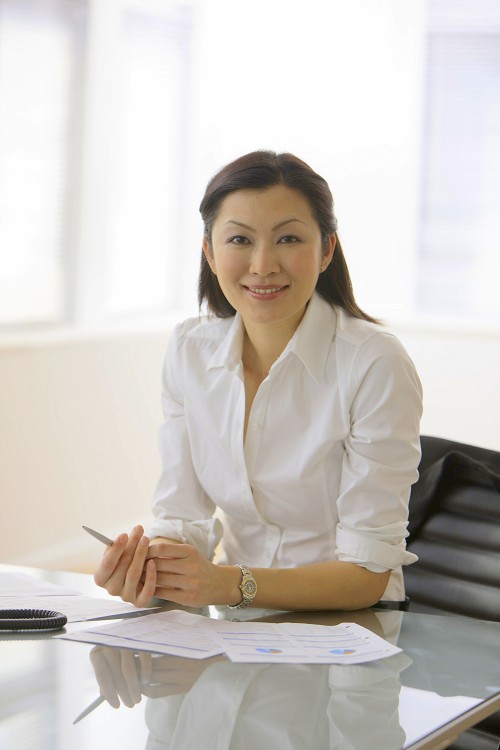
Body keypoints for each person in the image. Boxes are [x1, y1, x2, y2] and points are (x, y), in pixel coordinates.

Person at [94, 150, 423, 612]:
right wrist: (152, 567)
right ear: (210, 252)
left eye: (288, 238)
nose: (263, 265)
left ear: (326, 250)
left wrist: (229, 584)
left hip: (352, 626)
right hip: (237, 626)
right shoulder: (190, 350)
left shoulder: (374, 362)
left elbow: (367, 575)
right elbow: (182, 518)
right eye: (239, 240)